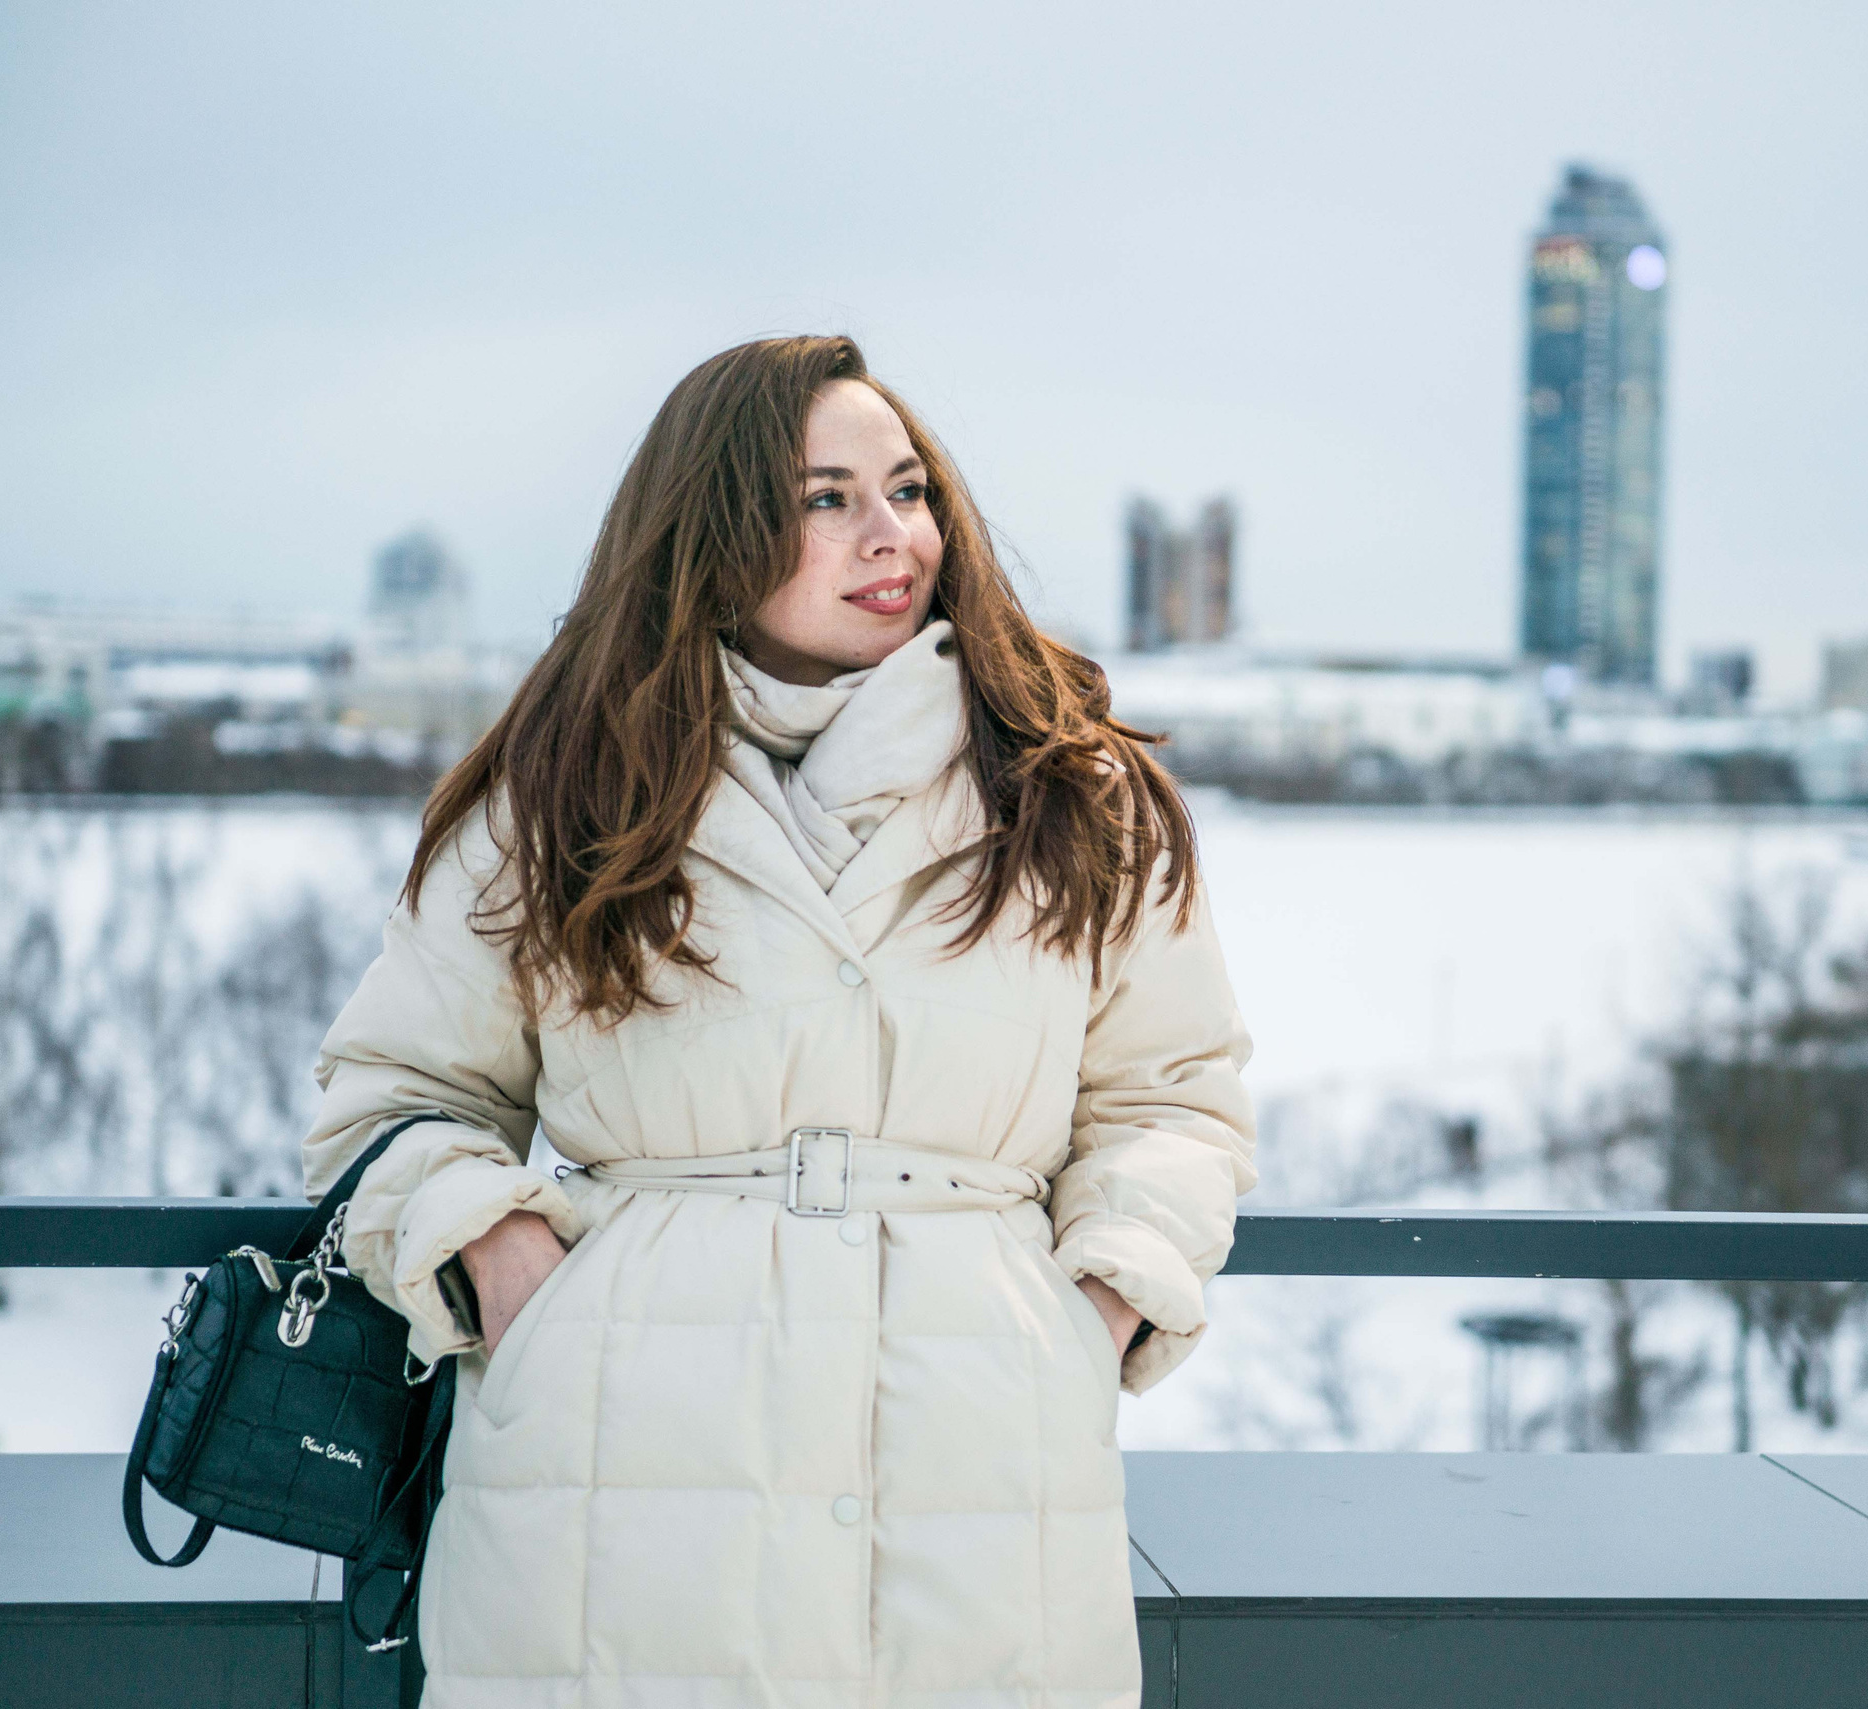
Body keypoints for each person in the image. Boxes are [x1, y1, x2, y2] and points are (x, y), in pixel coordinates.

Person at [300, 335, 1257, 1708]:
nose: (893, 533)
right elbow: (392, 1087)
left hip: (980, 1474)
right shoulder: (564, 786)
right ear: (709, 528)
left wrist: (1087, 1309)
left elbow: (1172, 1099)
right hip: (610, 1477)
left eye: (910, 488)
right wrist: (504, 1261)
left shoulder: (1066, 790)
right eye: (827, 497)